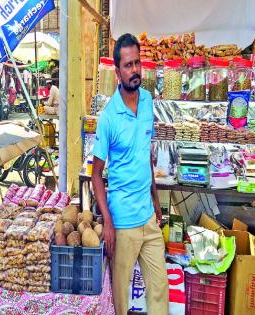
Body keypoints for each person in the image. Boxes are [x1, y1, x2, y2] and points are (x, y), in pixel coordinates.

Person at [91, 33, 168, 315]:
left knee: (159, 289)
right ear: (117, 71)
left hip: (148, 218)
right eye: (128, 65)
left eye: (137, 63)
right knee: (120, 300)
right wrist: (108, 224)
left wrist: (156, 200)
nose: (134, 70)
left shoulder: (148, 101)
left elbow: (145, 154)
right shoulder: (109, 117)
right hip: (122, 223)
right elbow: (97, 174)